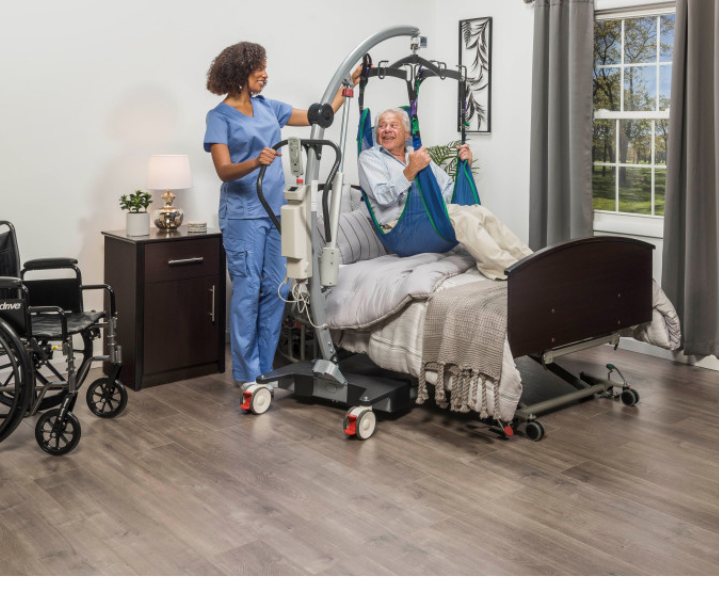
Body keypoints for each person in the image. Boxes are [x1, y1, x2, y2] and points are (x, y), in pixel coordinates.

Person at [204, 42, 357, 387]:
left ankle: (265, 370)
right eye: (260, 68)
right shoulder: (219, 117)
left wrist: (350, 86)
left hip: (277, 214)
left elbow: (321, 115)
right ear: (241, 72)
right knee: (247, 291)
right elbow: (223, 170)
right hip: (243, 215)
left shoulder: (268, 107)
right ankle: (246, 375)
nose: (265, 74)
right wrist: (255, 161)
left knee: (278, 288)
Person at [357, 108, 532, 279]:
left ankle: (530, 262)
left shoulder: (417, 156)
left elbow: (445, 191)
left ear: (406, 132)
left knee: (479, 212)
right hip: (400, 229)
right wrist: (410, 171)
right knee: (464, 219)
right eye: (381, 126)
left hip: (427, 219)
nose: (386, 130)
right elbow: (382, 196)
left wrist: (465, 168)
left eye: (393, 125)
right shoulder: (370, 158)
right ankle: (510, 270)